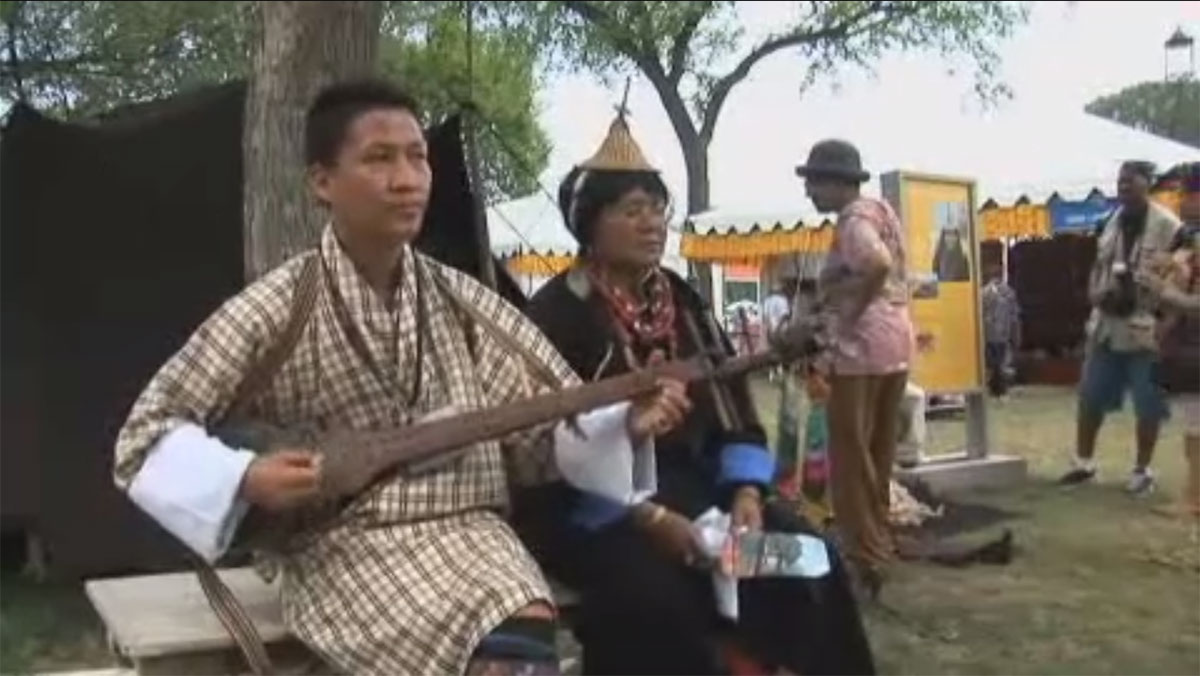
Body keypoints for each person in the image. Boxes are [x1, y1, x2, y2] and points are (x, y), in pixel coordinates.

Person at [111, 79, 692, 676]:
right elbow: (143, 438)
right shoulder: (278, 307)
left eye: (417, 157)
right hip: (342, 548)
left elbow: (542, 426)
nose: (407, 179)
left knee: (517, 636)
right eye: (379, 158)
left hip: (473, 538)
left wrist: (622, 419)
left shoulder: (463, 301)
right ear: (322, 182)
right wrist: (245, 477)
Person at [514, 113, 874, 675]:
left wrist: (748, 496)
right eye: (632, 211)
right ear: (590, 223)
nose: (652, 224)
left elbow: (732, 405)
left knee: (810, 556)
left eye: (657, 210)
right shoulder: (555, 312)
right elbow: (549, 453)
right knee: (657, 599)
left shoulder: (682, 299)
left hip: (706, 491)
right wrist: (654, 521)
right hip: (598, 511)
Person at [795, 139, 914, 595]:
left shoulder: (854, 220)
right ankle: (877, 542)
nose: (809, 193)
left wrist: (849, 312)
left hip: (861, 346)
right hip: (895, 341)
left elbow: (877, 264)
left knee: (850, 457)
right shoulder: (881, 211)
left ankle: (865, 556)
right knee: (878, 453)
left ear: (834, 183)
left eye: (813, 183)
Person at [1059, 161, 1181, 495]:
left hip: (1146, 325)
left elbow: (1183, 281)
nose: (1123, 186)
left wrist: (1167, 325)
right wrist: (1096, 293)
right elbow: (1097, 268)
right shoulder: (1110, 221)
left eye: (1131, 180)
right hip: (1107, 324)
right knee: (1090, 396)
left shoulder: (1169, 227)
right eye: (1120, 181)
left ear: (1148, 182)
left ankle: (1142, 471)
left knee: (1148, 403)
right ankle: (1084, 463)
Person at [1136, 161, 1200, 517]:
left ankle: (1194, 498)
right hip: (1187, 347)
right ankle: (1194, 494)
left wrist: (1166, 291)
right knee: (1194, 425)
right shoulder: (1188, 237)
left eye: (1187, 194)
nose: (1181, 203)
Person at [981, 261, 1021, 399]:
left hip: (989, 333)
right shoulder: (1008, 292)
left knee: (993, 362)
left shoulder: (983, 292)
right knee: (1000, 362)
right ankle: (999, 389)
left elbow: (981, 313)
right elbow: (1013, 314)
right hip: (1003, 333)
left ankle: (996, 388)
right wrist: (1014, 333)